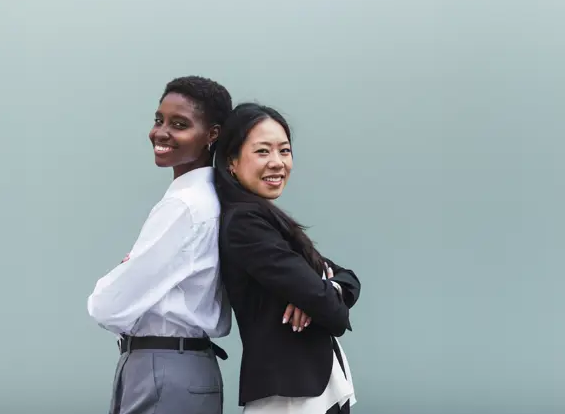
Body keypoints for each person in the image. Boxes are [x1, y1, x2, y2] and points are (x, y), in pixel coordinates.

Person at [87, 75, 233, 414]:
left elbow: (106, 305)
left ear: (212, 134)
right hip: (180, 366)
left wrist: (124, 273)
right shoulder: (208, 199)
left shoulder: (184, 207)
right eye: (159, 120)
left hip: (163, 367)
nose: (161, 133)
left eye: (179, 124)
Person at [213, 103, 361, 414]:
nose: (278, 163)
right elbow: (332, 313)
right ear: (232, 161)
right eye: (263, 152)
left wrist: (322, 290)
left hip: (314, 390)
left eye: (285, 150)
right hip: (291, 398)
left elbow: (346, 277)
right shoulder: (245, 223)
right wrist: (318, 293)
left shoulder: (266, 218)